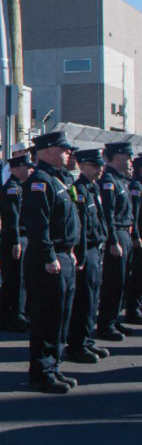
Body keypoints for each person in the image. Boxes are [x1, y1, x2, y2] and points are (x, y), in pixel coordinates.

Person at [23, 131, 80, 394]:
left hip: (64, 255)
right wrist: (49, 256)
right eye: (63, 149)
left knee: (61, 316)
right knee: (47, 316)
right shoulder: (40, 181)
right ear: (47, 151)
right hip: (50, 258)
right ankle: (41, 372)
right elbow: (39, 225)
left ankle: (53, 366)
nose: (68, 153)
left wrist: (70, 250)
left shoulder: (57, 179)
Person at [65, 149, 109, 364]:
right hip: (86, 251)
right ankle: (77, 344)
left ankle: (87, 340)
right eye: (95, 165)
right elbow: (79, 227)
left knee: (93, 299)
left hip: (96, 249)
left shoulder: (92, 188)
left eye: (100, 165)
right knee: (83, 300)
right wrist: (80, 257)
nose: (100, 169)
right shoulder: (78, 190)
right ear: (82, 166)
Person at [97, 141, 136, 341]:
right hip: (117, 234)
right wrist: (112, 241)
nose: (129, 160)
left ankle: (113, 319)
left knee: (122, 281)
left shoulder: (120, 180)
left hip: (125, 233)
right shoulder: (108, 181)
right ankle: (105, 324)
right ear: (117, 156)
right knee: (113, 281)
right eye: (127, 156)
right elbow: (108, 214)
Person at [0, 154, 34, 333]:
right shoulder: (12, 188)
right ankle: (11, 316)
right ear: (17, 168)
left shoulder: (22, 187)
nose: (31, 170)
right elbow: (12, 218)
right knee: (14, 279)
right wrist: (17, 241)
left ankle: (18, 313)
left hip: (22, 237)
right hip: (13, 238)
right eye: (28, 167)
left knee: (22, 279)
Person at [127, 156, 142, 324]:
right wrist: (136, 235)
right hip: (139, 237)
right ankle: (133, 309)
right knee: (137, 275)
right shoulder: (136, 187)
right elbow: (135, 215)